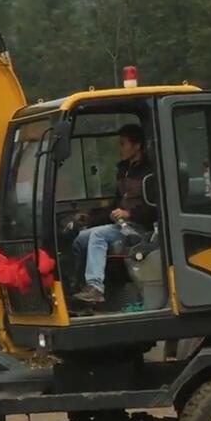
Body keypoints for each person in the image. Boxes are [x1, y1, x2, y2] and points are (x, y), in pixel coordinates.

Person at [71, 123, 157, 306]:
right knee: (81, 238)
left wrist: (129, 214)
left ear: (137, 145)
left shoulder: (151, 172)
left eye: (123, 144)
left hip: (142, 226)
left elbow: (155, 209)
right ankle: (79, 286)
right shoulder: (124, 170)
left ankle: (95, 288)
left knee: (98, 235)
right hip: (122, 226)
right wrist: (90, 218)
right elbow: (114, 205)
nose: (120, 149)